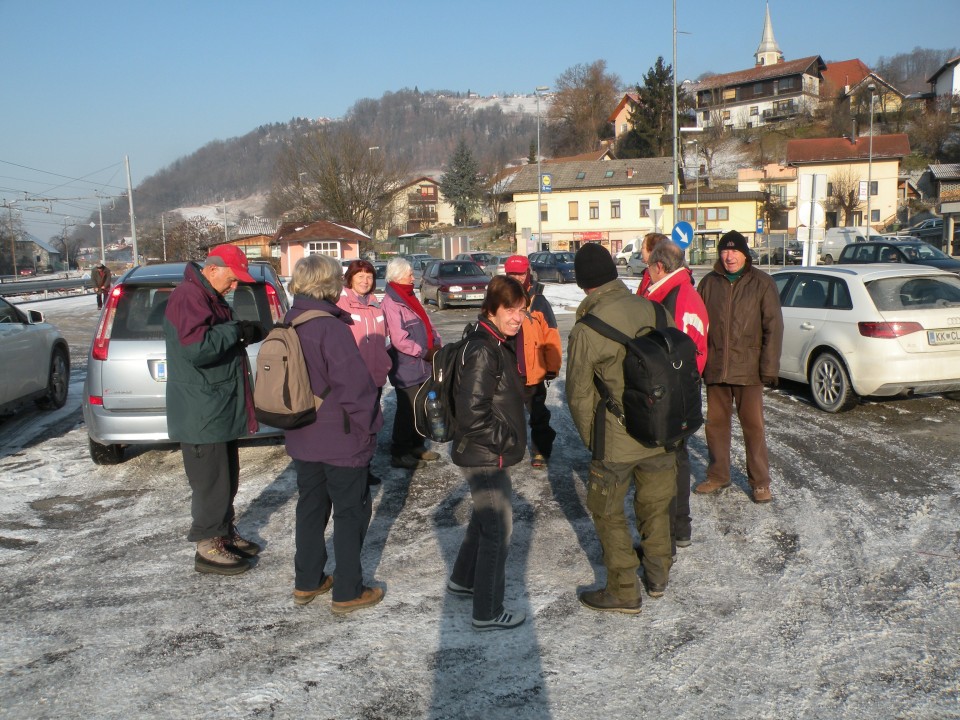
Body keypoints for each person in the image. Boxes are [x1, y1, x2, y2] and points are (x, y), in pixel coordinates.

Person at [566, 243, 677, 613]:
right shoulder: (656, 309)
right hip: (662, 432)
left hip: (615, 440)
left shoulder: (587, 329)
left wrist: (591, 440)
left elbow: (579, 396)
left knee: (608, 511)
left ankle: (624, 589)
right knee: (656, 506)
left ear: (583, 283)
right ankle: (658, 576)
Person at [284, 254, 384, 613]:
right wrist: (371, 424)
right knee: (349, 512)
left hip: (302, 434)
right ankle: (347, 590)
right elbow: (355, 388)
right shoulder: (330, 327)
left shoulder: (290, 320)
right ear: (329, 285)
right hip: (340, 438)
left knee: (310, 508)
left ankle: (307, 580)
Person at [163, 245, 265, 575]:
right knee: (210, 482)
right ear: (213, 269)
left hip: (214, 407)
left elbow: (214, 338)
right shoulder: (189, 296)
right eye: (232, 280)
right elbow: (196, 347)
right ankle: (207, 544)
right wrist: (236, 331)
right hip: (202, 411)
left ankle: (222, 533)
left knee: (225, 479)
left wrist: (242, 332)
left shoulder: (208, 295)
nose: (234, 287)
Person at [447, 275, 529, 631]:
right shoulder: (484, 349)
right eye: (509, 310)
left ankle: (463, 580)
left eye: (522, 310)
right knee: (499, 528)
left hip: (485, 451)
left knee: (485, 519)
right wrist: (506, 440)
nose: (517, 318)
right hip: (485, 454)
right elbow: (472, 412)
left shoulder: (493, 341)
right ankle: (488, 610)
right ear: (491, 309)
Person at [696, 230, 783, 504]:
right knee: (716, 426)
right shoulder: (709, 283)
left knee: (753, 428)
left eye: (734, 251)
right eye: (724, 251)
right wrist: (697, 363)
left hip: (748, 369)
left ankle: (760, 483)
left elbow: (774, 327)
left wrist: (768, 367)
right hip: (716, 366)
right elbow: (698, 325)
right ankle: (719, 474)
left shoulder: (762, 283)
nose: (729, 256)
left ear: (745, 254)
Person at [640, 238, 709, 550]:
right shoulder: (681, 291)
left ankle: (672, 530)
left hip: (673, 394)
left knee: (670, 462)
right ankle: (678, 528)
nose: (648, 275)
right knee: (676, 459)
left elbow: (675, 355)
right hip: (682, 390)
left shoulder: (676, 297)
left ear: (659, 266)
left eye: (649, 268)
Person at [381, 257, 442, 470]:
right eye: (410, 274)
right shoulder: (391, 302)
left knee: (421, 407)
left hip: (421, 364)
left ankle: (417, 445)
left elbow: (427, 322)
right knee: (407, 409)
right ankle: (400, 452)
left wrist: (437, 341)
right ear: (398, 276)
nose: (413, 277)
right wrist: (424, 352)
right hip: (406, 365)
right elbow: (399, 339)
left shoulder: (408, 296)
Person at [503, 255, 562, 469]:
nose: (516, 278)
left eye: (520, 273)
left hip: (533, 370)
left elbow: (551, 335)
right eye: (512, 273)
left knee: (538, 415)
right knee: (506, 414)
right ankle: (508, 448)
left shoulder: (539, 301)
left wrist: (552, 366)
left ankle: (540, 451)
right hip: (508, 371)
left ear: (528, 273)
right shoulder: (499, 299)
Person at [337, 259, 392, 485]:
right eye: (360, 276)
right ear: (350, 279)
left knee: (370, 424)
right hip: (352, 379)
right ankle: (351, 469)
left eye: (369, 276)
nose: (365, 280)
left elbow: (385, 338)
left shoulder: (376, 305)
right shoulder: (340, 305)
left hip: (376, 376)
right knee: (352, 427)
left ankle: (365, 467)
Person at [634, 232, 666, 298]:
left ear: (652, 250)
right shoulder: (648, 273)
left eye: (643, 247)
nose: (641, 250)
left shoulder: (660, 275)